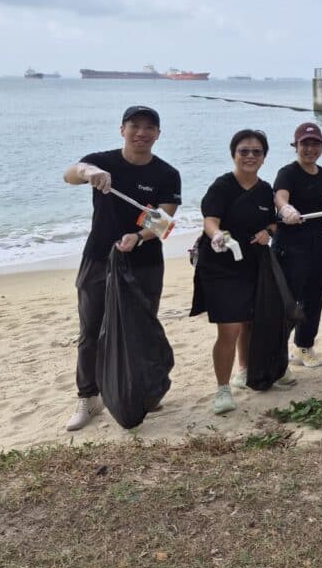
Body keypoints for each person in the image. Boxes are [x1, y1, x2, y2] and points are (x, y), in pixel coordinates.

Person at [62, 105, 181, 431]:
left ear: (158, 134)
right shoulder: (103, 162)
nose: (141, 133)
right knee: (91, 331)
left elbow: (164, 220)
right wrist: (89, 173)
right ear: (122, 130)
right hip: (99, 258)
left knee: (142, 328)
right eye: (134, 126)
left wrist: (138, 236)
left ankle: (146, 390)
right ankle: (89, 398)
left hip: (143, 261)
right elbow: (70, 173)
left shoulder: (166, 174)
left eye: (149, 128)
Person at [191, 129, 285, 415]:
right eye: (244, 151)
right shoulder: (222, 186)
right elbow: (210, 220)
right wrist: (218, 235)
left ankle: (244, 371)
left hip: (253, 264)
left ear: (264, 157)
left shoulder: (266, 190)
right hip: (220, 265)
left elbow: (274, 223)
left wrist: (268, 232)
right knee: (229, 328)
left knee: (249, 321)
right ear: (234, 154)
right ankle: (222, 388)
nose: (250, 156)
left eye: (257, 151)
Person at [273, 123, 322, 368]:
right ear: (296, 146)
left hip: (317, 242)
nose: (310, 149)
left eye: (315, 144)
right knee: (288, 299)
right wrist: (286, 209)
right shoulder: (288, 172)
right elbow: (279, 196)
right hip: (290, 243)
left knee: (313, 296)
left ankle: (304, 348)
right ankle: (276, 350)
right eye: (304, 144)